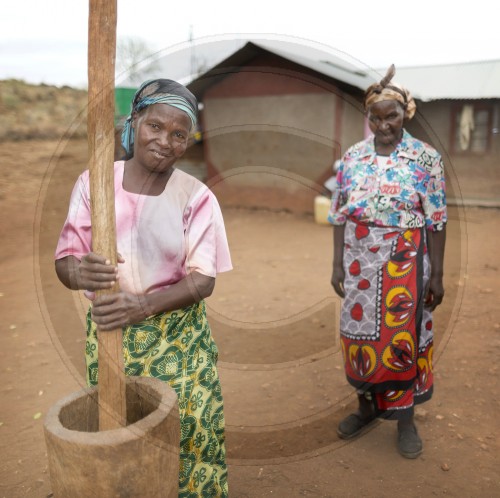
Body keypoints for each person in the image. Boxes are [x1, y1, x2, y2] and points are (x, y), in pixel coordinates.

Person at [55, 79, 232, 495]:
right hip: (111, 333)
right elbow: (65, 260)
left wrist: (143, 307)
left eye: (178, 134)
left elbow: (203, 280)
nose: (164, 141)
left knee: (188, 432)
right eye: (155, 126)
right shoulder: (95, 183)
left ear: (188, 142)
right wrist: (81, 274)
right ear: (133, 122)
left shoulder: (196, 196)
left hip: (178, 340)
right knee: (121, 430)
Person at [328, 65, 447, 459]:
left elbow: (436, 219)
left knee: (403, 340)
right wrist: (337, 264)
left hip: (406, 260)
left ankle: (406, 420)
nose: (383, 124)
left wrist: (438, 275)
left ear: (405, 112)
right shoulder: (351, 159)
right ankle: (365, 408)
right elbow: (339, 213)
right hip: (360, 260)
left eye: (391, 115)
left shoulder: (425, 159)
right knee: (357, 335)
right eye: (375, 117)